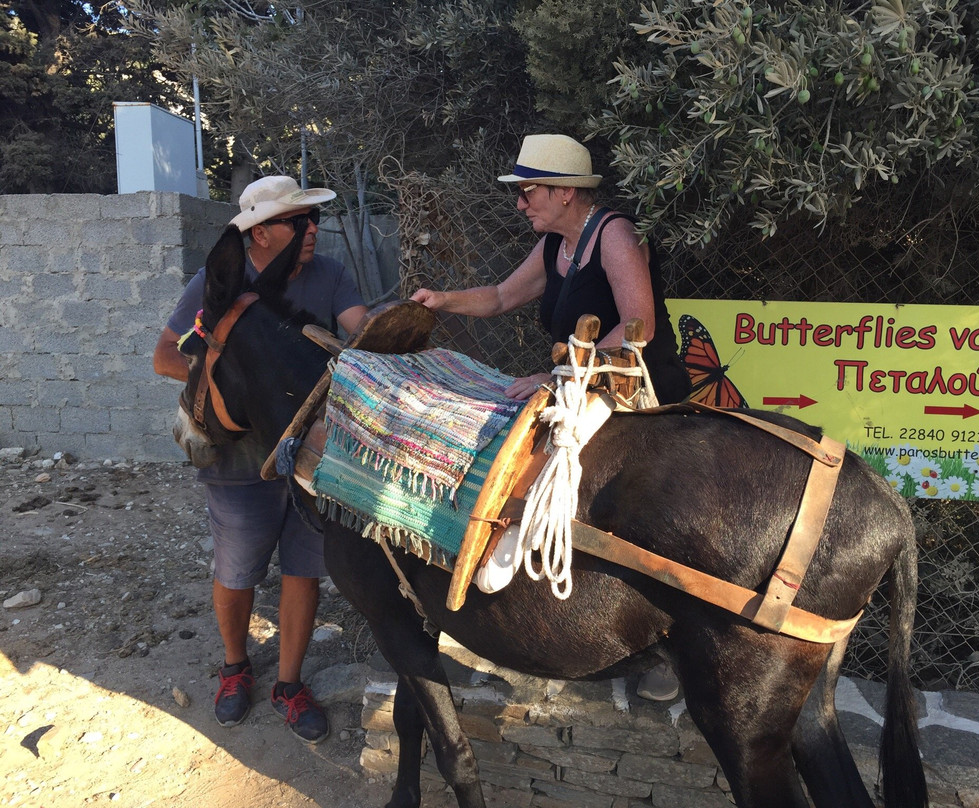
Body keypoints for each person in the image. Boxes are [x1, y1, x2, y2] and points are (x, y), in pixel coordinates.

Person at [411, 134, 687, 700]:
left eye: (528, 190)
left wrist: (562, 376)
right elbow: (498, 297)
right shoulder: (555, 246)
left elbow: (640, 325)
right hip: (584, 382)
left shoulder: (614, 235)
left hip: (641, 390)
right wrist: (442, 300)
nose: (520, 203)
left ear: (565, 192)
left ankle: (671, 645)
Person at [153, 175, 369, 742]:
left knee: (304, 571)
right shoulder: (217, 283)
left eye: (314, 220)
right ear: (261, 233)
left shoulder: (331, 275)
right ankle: (235, 667)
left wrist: (389, 332)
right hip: (238, 459)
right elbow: (164, 357)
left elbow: (361, 331)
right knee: (237, 571)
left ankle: (290, 684)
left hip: (311, 455)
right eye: (298, 222)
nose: (311, 231)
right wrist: (239, 385)